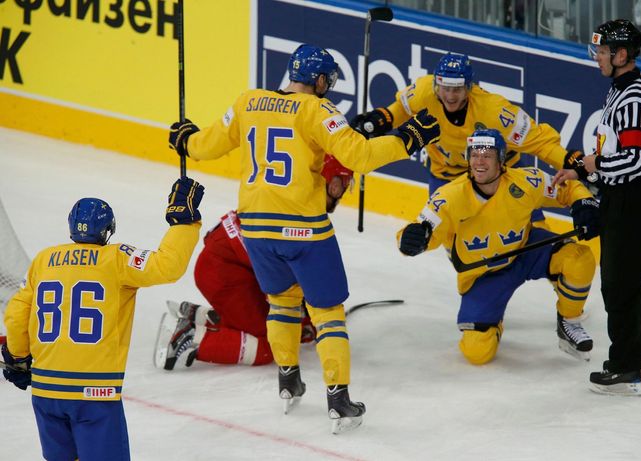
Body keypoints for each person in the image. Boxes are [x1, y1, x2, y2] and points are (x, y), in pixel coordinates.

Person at [168, 44, 440, 434]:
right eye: (327, 80)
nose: (328, 86)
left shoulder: (248, 101)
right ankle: (338, 400)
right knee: (328, 313)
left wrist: (186, 140)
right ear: (318, 80)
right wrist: (408, 139)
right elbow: (359, 156)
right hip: (304, 229)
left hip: (256, 229)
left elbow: (206, 145)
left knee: (282, 304)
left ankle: (289, 379)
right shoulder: (318, 110)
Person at [1, 177, 204, 460]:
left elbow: (16, 314)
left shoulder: (43, 261)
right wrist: (184, 223)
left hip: (46, 392)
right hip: (94, 394)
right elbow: (167, 266)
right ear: (108, 230)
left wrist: (17, 358)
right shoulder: (117, 259)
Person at [397, 129, 599, 366]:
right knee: (477, 353)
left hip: (525, 252)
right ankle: (492, 322)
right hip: (484, 276)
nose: (479, 161)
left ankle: (569, 321)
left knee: (579, 258)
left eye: (487, 155)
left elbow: (567, 187)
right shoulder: (449, 197)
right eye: (475, 154)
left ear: (501, 160)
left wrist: (583, 203)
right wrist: (410, 240)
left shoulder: (525, 181)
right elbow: (422, 230)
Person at [553, 19, 641, 396]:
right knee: (628, 280)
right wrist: (584, 169)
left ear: (621, 55)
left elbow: (635, 160)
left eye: (602, 51)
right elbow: (615, 153)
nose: (596, 57)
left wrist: (591, 166)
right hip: (624, 195)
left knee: (619, 284)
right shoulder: (619, 90)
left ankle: (626, 367)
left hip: (633, 197)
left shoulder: (635, 99)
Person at [162, 155, 354, 370]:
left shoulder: (288, 199)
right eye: (338, 185)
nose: (339, 194)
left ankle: (205, 317)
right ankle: (189, 336)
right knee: (269, 345)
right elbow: (283, 275)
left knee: (284, 325)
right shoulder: (295, 213)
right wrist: (313, 315)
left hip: (226, 268)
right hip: (224, 275)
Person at [351, 52, 574, 196]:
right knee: (453, 244)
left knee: (527, 227)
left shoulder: (493, 110)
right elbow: (401, 108)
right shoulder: (424, 91)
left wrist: (572, 162)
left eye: (456, 89)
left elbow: (539, 143)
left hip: (500, 173)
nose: (450, 95)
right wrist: (381, 120)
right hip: (445, 176)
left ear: (468, 87)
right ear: (436, 85)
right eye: (445, 88)